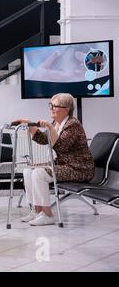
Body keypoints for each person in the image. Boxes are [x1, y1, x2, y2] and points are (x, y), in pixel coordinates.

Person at [14, 93, 95, 226]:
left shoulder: (73, 124)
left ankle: (47, 215)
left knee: (39, 173)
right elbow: (43, 140)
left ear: (66, 109)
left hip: (79, 169)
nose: (51, 108)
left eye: (55, 106)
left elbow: (61, 146)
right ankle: (37, 210)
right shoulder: (57, 123)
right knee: (28, 171)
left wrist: (50, 128)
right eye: (51, 105)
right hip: (65, 166)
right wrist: (30, 125)